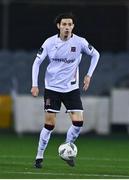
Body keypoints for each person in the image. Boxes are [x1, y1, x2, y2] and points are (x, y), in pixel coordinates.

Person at [31, 12, 100, 168]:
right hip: (52, 88)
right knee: (49, 125)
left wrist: (88, 75)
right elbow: (36, 63)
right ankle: (39, 157)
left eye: (70, 24)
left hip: (71, 89)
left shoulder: (80, 42)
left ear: (73, 26)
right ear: (59, 26)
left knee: (78, 122)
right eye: (64, 24)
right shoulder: (49, 43)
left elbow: (96, 55)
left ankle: (67, 148)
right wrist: (34, 85)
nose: (67, 27)